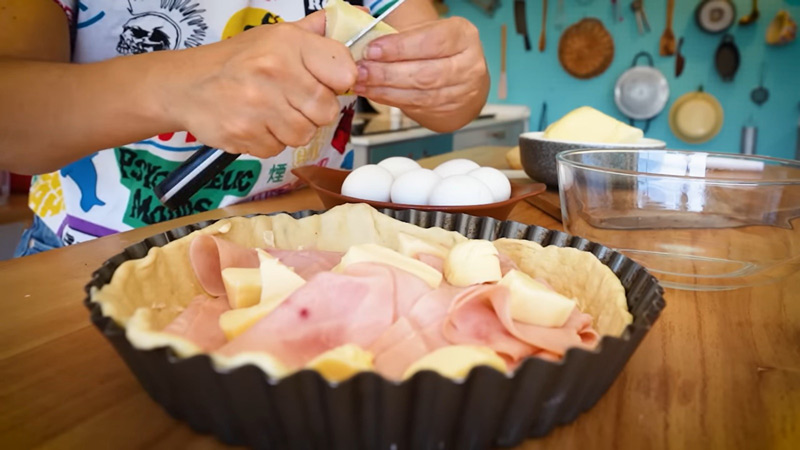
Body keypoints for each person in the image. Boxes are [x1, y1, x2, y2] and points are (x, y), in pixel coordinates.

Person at [0, 0, 489, 256]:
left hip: (304, 245)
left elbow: (447, 105)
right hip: (87, 252)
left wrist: (458, 81)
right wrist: (175, 86)